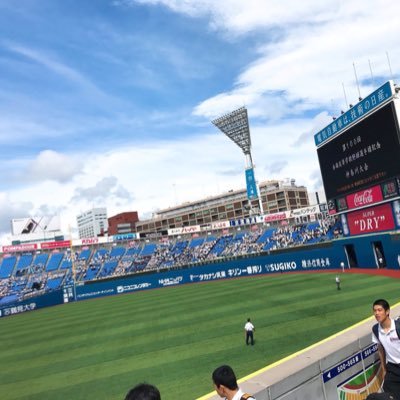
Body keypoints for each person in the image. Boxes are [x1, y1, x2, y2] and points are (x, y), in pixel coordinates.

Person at [371, 299, 400, 399]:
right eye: (375, 311)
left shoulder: (398, 326)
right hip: (392, 369)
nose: (377, 313)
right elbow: (380, 349)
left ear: (387, 312)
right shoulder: (375, 329)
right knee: (390, 395)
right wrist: (384, 370)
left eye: (380, 310)